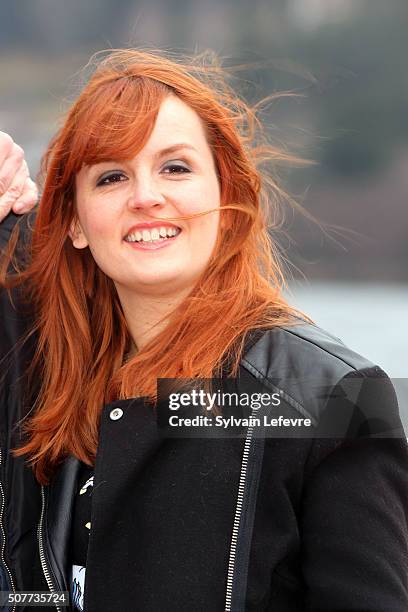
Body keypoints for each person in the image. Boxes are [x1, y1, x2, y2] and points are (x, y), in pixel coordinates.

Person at [0, 49, 407, 612]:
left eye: (175, 167)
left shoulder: (332, 397)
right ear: (74, 222)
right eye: (112, 176)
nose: (145, 197)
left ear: (229, 197)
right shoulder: (50, 376)